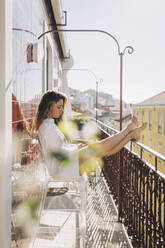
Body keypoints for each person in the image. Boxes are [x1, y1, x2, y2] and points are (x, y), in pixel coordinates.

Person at [32, 90, 147, 180]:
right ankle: (128, 132)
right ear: (49, 107)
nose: (62, 110)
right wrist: (76, 149)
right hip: (63, 169)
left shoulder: (49, 125)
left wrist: (76, 147)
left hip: (64, 165)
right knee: (100, 147)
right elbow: (59, 153)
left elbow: (58, 149)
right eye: (59, 107)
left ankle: (130, 134)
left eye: (62, 107)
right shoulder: (47, 128)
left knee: (103, 150)